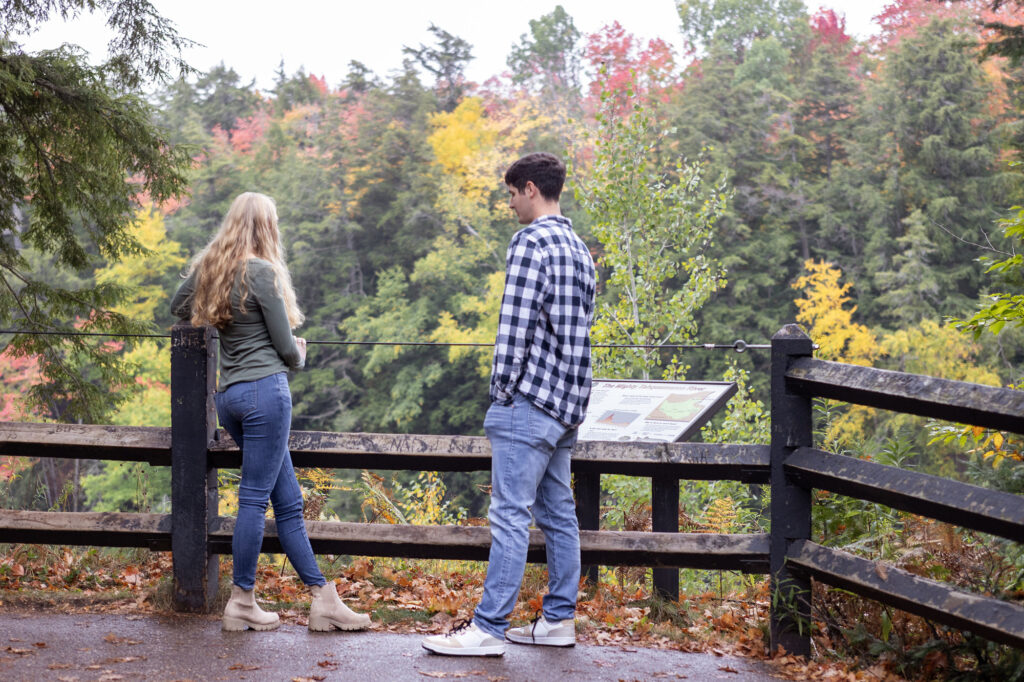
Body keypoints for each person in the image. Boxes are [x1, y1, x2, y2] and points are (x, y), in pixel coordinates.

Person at [171, 192, 370, 634]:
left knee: (288, 501)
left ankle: (323, 599)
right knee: (255, 498)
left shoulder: (212, 270)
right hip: (267, 395)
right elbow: (284, 346)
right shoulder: (261, 272)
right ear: (267, 227)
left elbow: (178, 308)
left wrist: (212, 290)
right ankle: (242, 600)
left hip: (231, 400)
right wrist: (299, 354)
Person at [422, 153, 596, 656]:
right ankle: (558, 619)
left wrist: (502, 391)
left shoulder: (530, 242)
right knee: (560, 515)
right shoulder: (581, 250)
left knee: (510, 516)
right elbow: (580, 329)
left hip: (529, 401)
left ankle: (489, 628)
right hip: (567, 403)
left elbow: (513, 328)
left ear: (530, 189)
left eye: (512, 194)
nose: (511, 204)